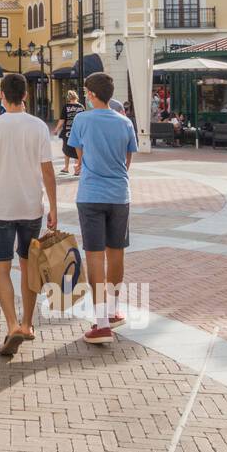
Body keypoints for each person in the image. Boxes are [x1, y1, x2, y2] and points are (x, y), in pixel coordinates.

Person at [0, 73, 57, 356]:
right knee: (28, 266)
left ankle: (11, 324)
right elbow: (48, 170)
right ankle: (27, 324)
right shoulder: (38, 127)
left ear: (1, 96)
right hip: (31, 208)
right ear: (25, 95)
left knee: (1, 267)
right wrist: (54, 207)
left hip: (1, 206)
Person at [69, 72, 137, 345]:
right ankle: (114, 308)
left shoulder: (82, 119)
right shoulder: (124, 122)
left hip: (91, 194)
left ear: (93, 94)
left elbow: (79, 154)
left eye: (87, 92)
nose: (85, 95)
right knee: (116, 253)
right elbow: (128, 157)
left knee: (95, 256)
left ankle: (101, 322)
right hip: (120, 194)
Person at [53, 89, 84, 174]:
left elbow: (62, 120)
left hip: (67, 131)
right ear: (76, 97)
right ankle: (77, 169)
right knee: (77, 149)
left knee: (66, 149)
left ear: (68, 98)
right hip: (78, 131)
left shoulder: (66, 107)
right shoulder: (81, 107)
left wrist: (56, 129)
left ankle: (66, 168)